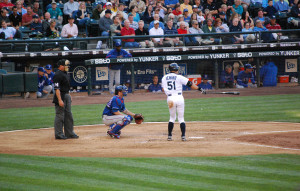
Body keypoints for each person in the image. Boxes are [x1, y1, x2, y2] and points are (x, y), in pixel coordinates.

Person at [162, 63, 205, 141]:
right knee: (181, 118)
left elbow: (163, 89)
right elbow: (190, 84)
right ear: (176, 69)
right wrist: (200, 89)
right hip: (179, 98)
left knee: (172, 118)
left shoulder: (164, 78)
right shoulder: (179, 77)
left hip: (170, 98)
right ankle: (183, 136)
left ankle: (169, 136)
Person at [53, 59, 79, 140]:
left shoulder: (65, 73)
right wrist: (60, 100)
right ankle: (59, 134)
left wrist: (69, 95)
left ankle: (69, 133)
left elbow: (66, 87)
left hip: (66, 95)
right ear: (61, 66)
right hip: (60, 96)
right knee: (60, 115)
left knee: (68, 115)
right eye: (66, 65)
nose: (67, 67)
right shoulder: (57, 74)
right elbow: (57, 89)